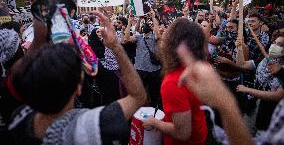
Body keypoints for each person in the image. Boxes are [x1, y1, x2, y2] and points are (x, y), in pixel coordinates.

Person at [8, 11, 147, 145]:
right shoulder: (92, 127)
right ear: (79, 88)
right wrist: (116, 46)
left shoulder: (19, 117)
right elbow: (138, 97)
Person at [142, 18, 208, 145]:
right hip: (199, 132)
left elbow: (182, 133)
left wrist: (154, 122)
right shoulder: (203, 66)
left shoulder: (173, 83)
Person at [176, 43, 254, 145]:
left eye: (231, 28)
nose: (228, 29)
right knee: (218, 111)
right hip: (221, 82)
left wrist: (227, 64)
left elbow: (242, 70)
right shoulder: (225, 43)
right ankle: (219, 131)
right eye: (227, 27)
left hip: (233, 85)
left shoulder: (244, 48)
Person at [236, 33, 284, 132]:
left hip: (271, 114)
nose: (274, 46)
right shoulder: (264, 61)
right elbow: (242, 64)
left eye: (280, 45)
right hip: (253, 105)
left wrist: (247, 90)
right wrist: (240, 48)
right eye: (274, 43)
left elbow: (277, 95)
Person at [124, 10, 162, 108]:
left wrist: (153, 18)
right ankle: (139, 112)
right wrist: (130, 21)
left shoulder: (154, 37)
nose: (145, 26)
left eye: (148, 25)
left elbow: (158, 35)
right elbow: (126, 38)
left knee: (154, 95)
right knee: (139, 93)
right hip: (140, 70)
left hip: (153, 70)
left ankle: (154, 110)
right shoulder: (139, 37)